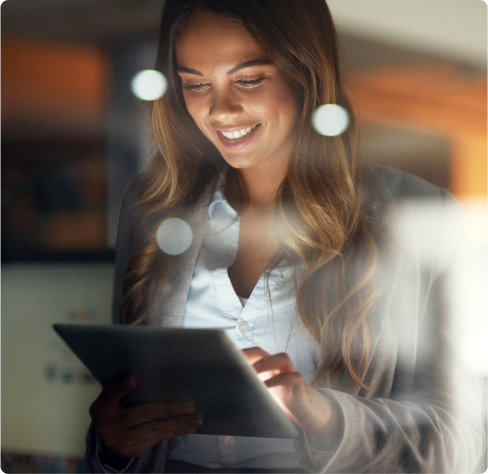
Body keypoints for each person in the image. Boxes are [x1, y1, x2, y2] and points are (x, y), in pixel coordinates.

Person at [86, 0, 486, 473]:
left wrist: (325, 417)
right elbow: (125, 411)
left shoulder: (412, 215)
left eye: (249, 79)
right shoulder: (150, 211)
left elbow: (463, 440)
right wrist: (112, 447)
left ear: (306, 74)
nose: (219, 110)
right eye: (195, 84)